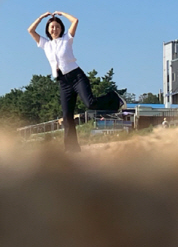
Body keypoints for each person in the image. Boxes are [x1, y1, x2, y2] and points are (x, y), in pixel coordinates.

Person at [28, 11, 124, 152]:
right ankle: (71, 149)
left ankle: (114, 97)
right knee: (67, 116)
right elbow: (30, 30)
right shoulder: (45, 44)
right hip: (63, 82)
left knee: (90, 103)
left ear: (61, 29)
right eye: (52, 27)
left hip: (77, 76)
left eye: (57, 27)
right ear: (48, 30)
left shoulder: (67, 38)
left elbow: (75, 21)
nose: (54, 29)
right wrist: (42, 17)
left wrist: (61, 14)